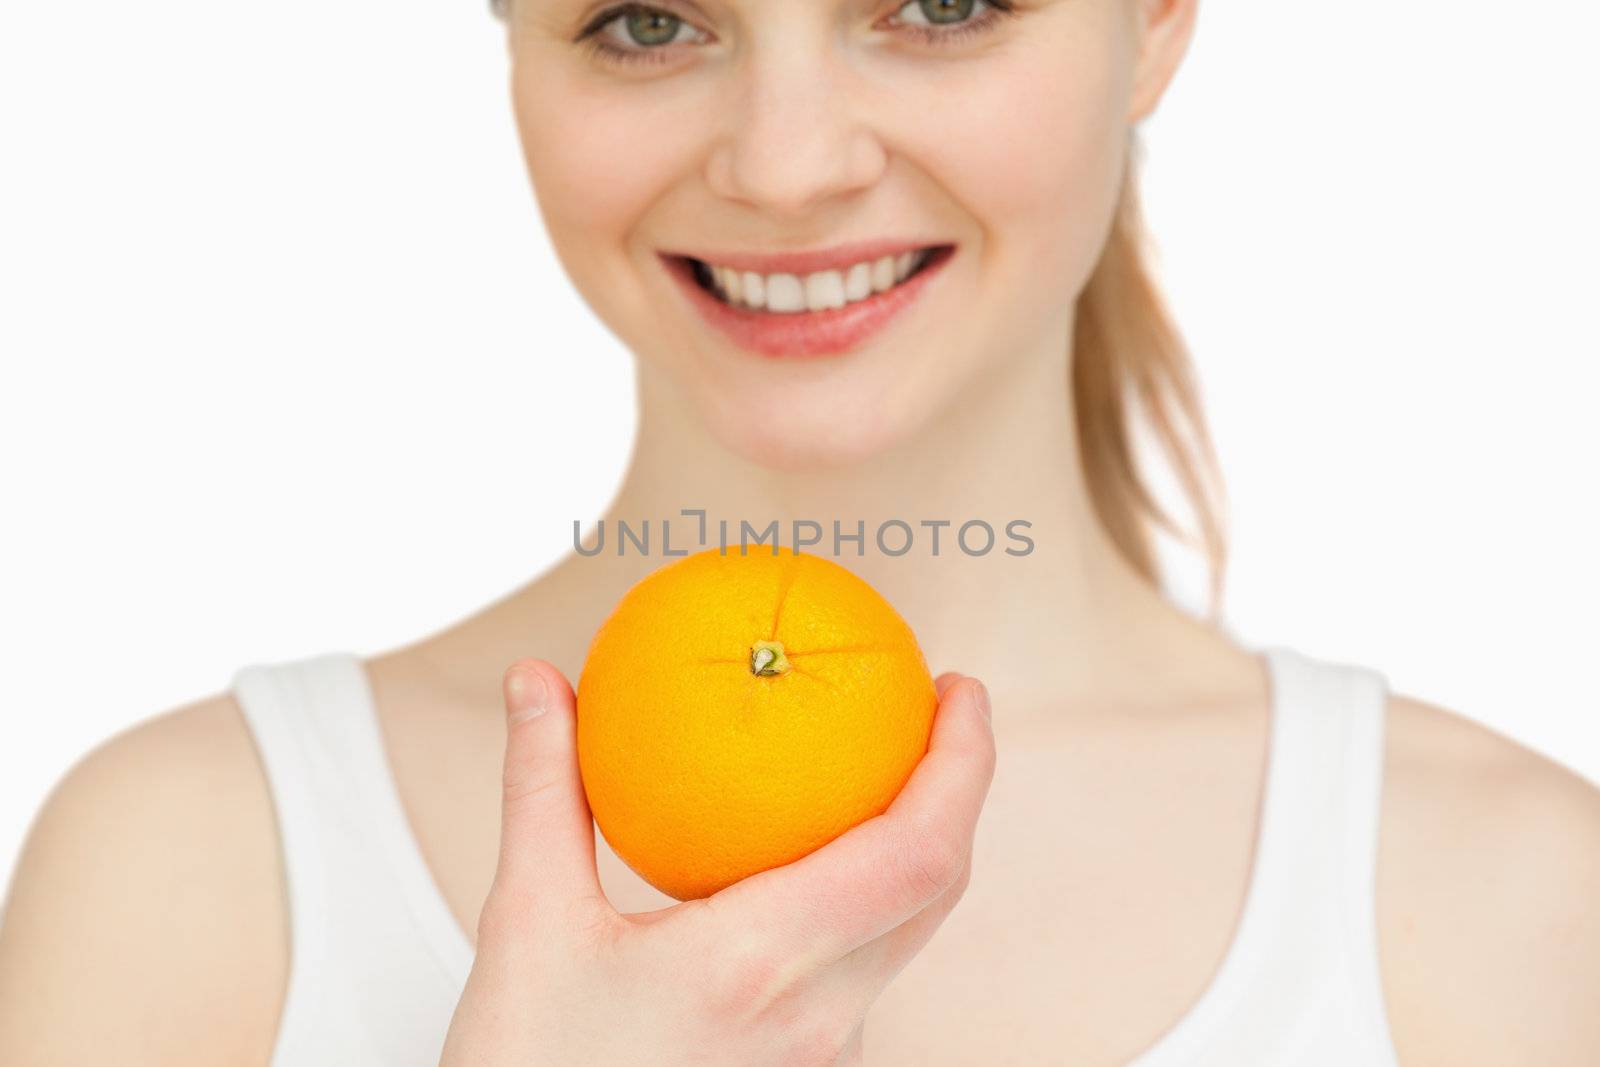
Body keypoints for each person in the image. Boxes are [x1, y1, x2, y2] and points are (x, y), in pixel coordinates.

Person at [3, 0, 1598, 1063]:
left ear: (1158, 17)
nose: (785, 167)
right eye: (645, 18)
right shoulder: (191, 866)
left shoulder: (1518, 902)